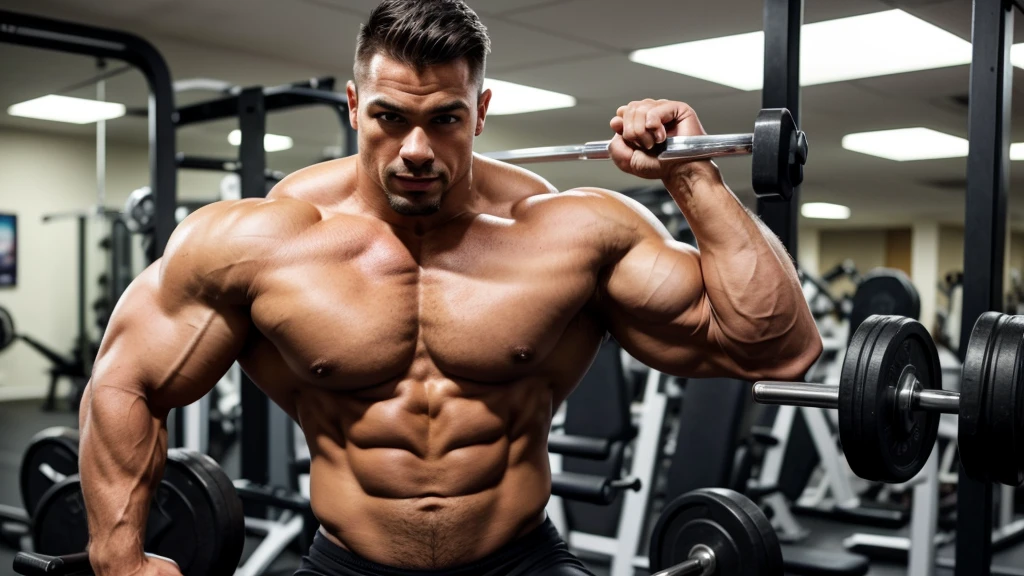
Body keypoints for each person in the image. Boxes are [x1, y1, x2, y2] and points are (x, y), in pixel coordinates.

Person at [77, 1, 822, 574]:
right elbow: (125, 384)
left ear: (482, 112)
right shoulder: (257, 244)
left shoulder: (569, 234)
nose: (416, 152)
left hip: (521, 559)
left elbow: (778, 348)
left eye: (445, 120)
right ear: (351, 104)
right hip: (347, 563)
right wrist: (119, 555)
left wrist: (691, 175)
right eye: (389, 118)